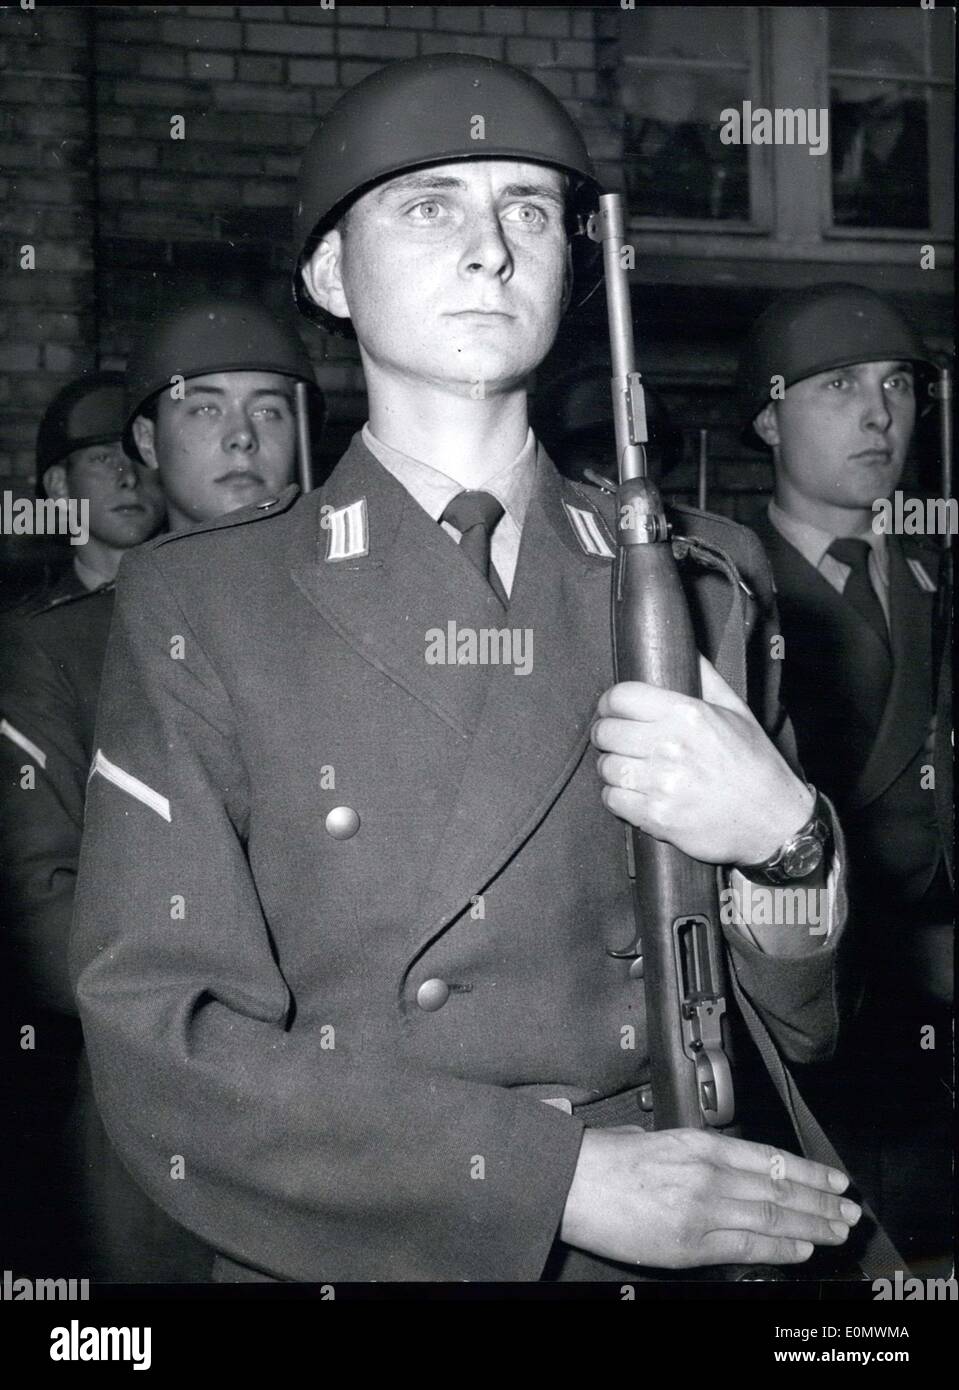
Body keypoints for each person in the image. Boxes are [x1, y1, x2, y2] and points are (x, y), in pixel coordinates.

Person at [72, 55, 861, 1285]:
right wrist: (555, 1182)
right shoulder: (202, 605)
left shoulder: (698, 575)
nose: (490, 249)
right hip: (371, 1237)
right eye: (429, 203)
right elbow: (166, 1039)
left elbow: (798, 1029)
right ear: (332, 274)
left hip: (675, 1237)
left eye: (528, 211)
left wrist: (787, 843)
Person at [0, 298, 322, 1280]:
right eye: (202, 409)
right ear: (144, 439)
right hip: (164, 1131)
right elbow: (45, 915)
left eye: (269, 411)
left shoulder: (372, 632)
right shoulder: (61, 650)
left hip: (377, 1125)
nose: (240, 436)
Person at [736, 283, 953, 1273]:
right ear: (767, 417)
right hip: (814, 1027)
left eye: (896, 385)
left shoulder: (931, 576)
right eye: (837, 387)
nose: (878, 414)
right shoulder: (720, 589)